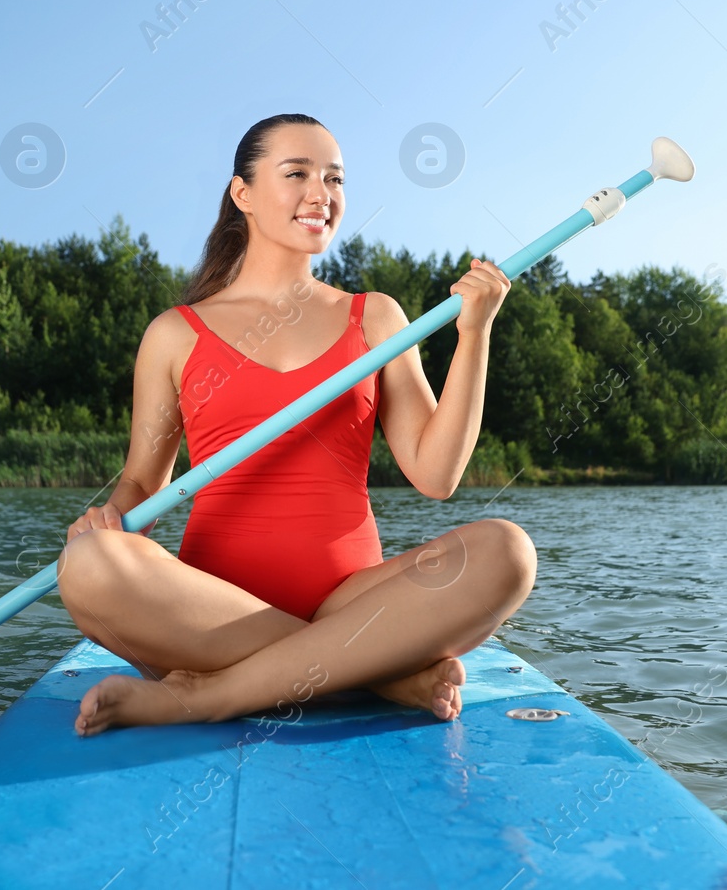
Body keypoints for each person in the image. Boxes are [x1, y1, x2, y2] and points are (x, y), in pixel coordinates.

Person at [56, 113, 536, 737]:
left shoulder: (377, 318)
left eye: (335, 178)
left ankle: (206, 697)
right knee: (86, 565)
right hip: (209, 608)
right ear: (243, 195)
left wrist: (475, 335)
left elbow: (437, 474)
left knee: (506, 553)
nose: (322, 193)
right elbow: (143, 483)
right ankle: (376, 673)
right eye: (297, 173)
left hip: (352, 602)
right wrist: (104, 521)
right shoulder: (175, 333)